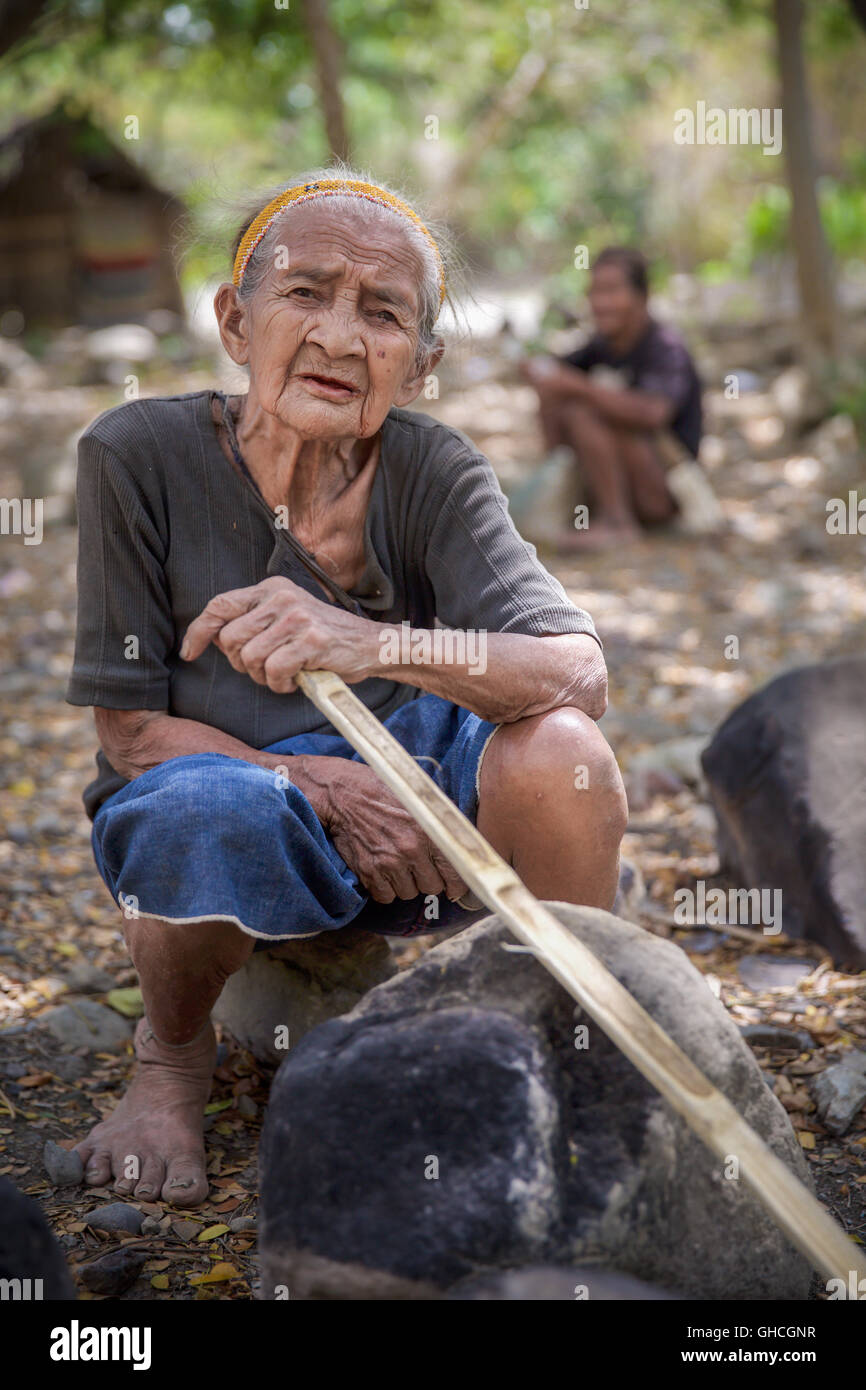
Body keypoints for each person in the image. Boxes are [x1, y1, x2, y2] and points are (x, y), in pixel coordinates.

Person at [65, 170, 628, 1207]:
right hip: (233, 790)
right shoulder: (133, 455)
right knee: (186, 811)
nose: (338, 334)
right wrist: (322, 783)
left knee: (560, 753)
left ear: (418, 365)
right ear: (236, 322)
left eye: (382, 313)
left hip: (427, 806)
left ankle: (568, 1038)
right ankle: (172, 1060)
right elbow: (134, 732)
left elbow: (575, 671)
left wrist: (363, 643)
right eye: (304, 293)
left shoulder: (431, 468)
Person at [522, 246, 703, 550]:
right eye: (594, 292)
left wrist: (579, 387)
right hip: (633, 481)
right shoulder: (602, 345)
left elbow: (653, 413)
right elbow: (557, 375)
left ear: (641, 296)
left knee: (584, 410)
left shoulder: (666, 348)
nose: (599, 303)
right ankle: (584, 504)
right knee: (563, 397)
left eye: (611, 291)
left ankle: (618, 523)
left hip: (664, 492)